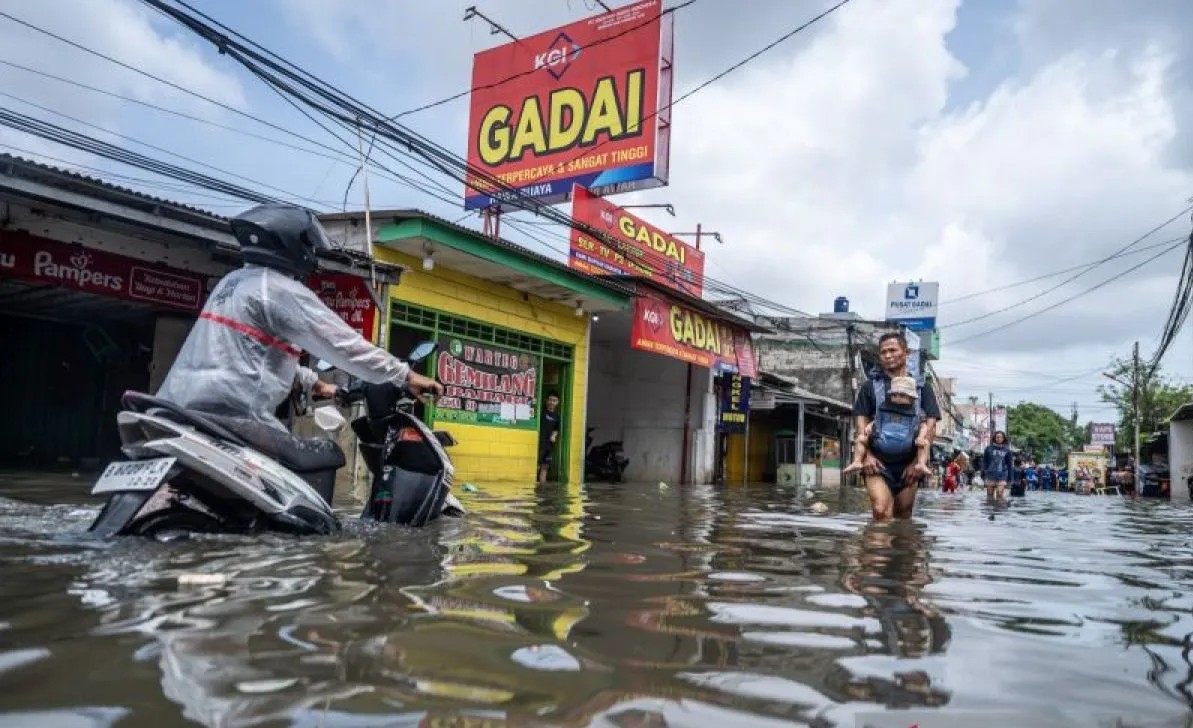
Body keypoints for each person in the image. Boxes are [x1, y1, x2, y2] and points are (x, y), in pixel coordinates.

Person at [156, 204, 443, 502]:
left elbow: (248, 353)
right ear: (293, 245)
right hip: (234, 419)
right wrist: (405, 375)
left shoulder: (232, 284)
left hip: (179, 410)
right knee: (322, 459)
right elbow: (345, 346)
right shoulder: (279, 290)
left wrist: (315, 383)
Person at [844, 333, 941, 521]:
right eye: (883, 352)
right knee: (881, 512)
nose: (888, 355)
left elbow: (930, 427)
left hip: (909, 464)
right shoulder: (870, 387)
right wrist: (867, 457)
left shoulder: (922, 388)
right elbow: (861, 425)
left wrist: (916, 463)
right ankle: (876, 549)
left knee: (904, 515)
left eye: (892, 350)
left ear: (906, 353)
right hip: (877, 463)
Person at [538, 392, 562, 485]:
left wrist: (554, 435)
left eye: (554, 401)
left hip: (548, 445)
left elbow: (556, 429)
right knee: (537, 465)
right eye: (550, 400)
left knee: (545, 466)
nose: (552, 402)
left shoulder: (557, 416)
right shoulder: (541, 412)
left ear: (557, 402)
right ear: (547, 400)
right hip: (539, 443)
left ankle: (542, 485)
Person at [981, 431, 1014, 501]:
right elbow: (985, 462)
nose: (999, 438)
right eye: (997, 437)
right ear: (994, 438)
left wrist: (1010, 479)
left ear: (1003, 438)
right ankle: (990, 510)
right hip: (990, 475)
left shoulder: (1007, 450)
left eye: (1000, 437)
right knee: (989, 496)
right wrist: (983, 473)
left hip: (1002, 475)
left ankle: (1000, 510)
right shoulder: (988, 449)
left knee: (999, 494)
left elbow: (1009, 465)